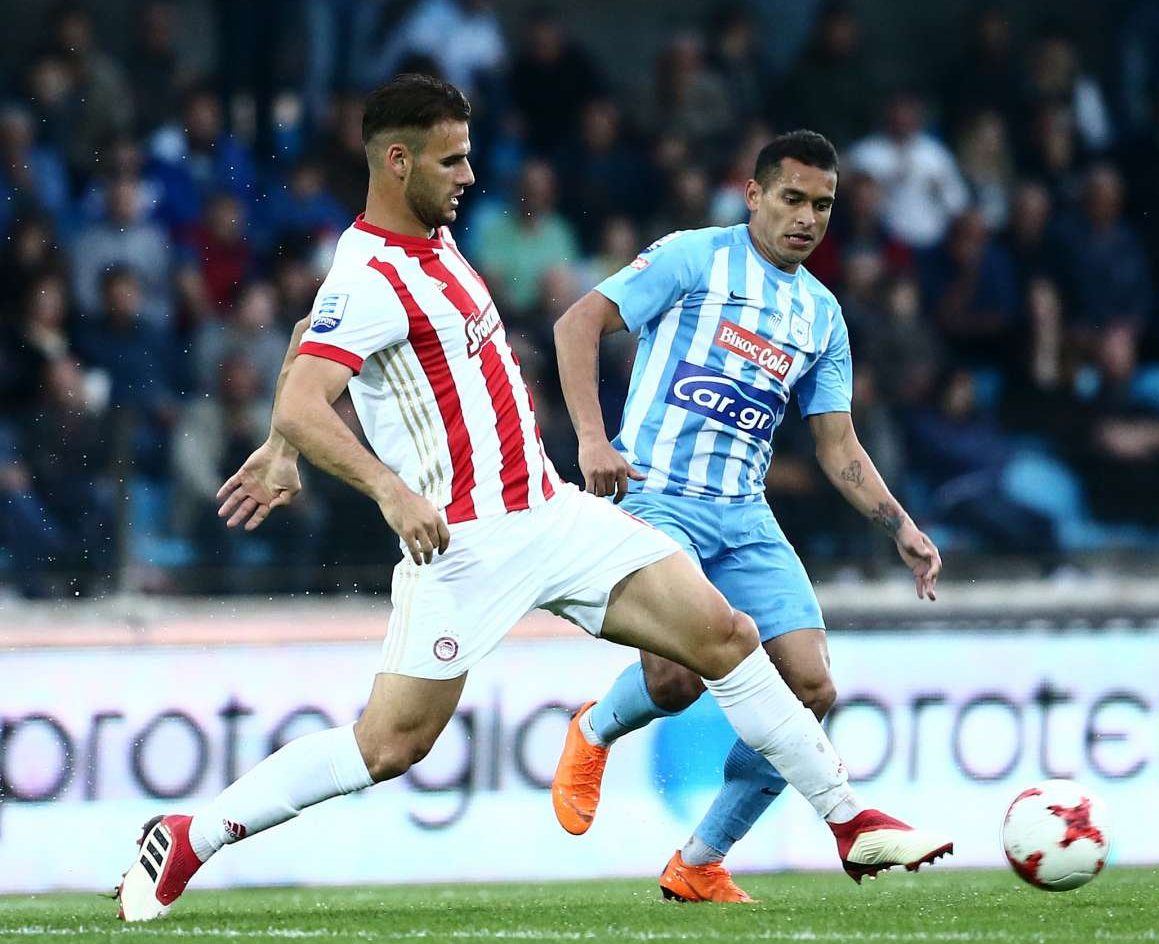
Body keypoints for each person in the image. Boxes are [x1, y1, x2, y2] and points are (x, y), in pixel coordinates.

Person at [112, 75, 951, 923]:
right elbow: (305, 389)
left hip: (551, 513)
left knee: (726, 636)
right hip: (464, 547)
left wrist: (280, 448)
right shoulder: (369, 276)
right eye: (452, 160)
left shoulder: (433, 245)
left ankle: (849, 820)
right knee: (389, 746)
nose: (470, 175)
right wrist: (377, 484)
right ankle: (190, 836)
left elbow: (308, 337)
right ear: (397, 161)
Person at [549, 130, 945, 902]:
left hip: (744, 516)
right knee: (674, 682)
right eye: (793, 198)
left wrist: (901, 525)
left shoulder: (821, 315)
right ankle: (594, 727)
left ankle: (700, 861)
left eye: (822, 205)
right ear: (754, 194)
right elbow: (576, 324)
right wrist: (592, 440)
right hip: (656, 497)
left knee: (812, 689)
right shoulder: (693, 257)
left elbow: (836, 444)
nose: (807, 218)